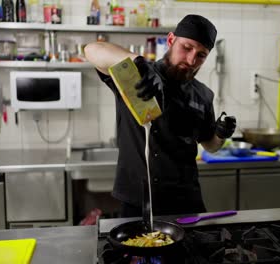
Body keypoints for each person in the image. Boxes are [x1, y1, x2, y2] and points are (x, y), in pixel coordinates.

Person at [85, 14, 236, 217]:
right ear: (171, 40)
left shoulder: (203, 95)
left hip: (186, 201)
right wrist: (139, 63)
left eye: (201, 55)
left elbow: (210, 145)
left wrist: (220, 134)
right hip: (139, 201)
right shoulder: (136, 76)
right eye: (187, 47)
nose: (192, 60)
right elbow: (92, 50)